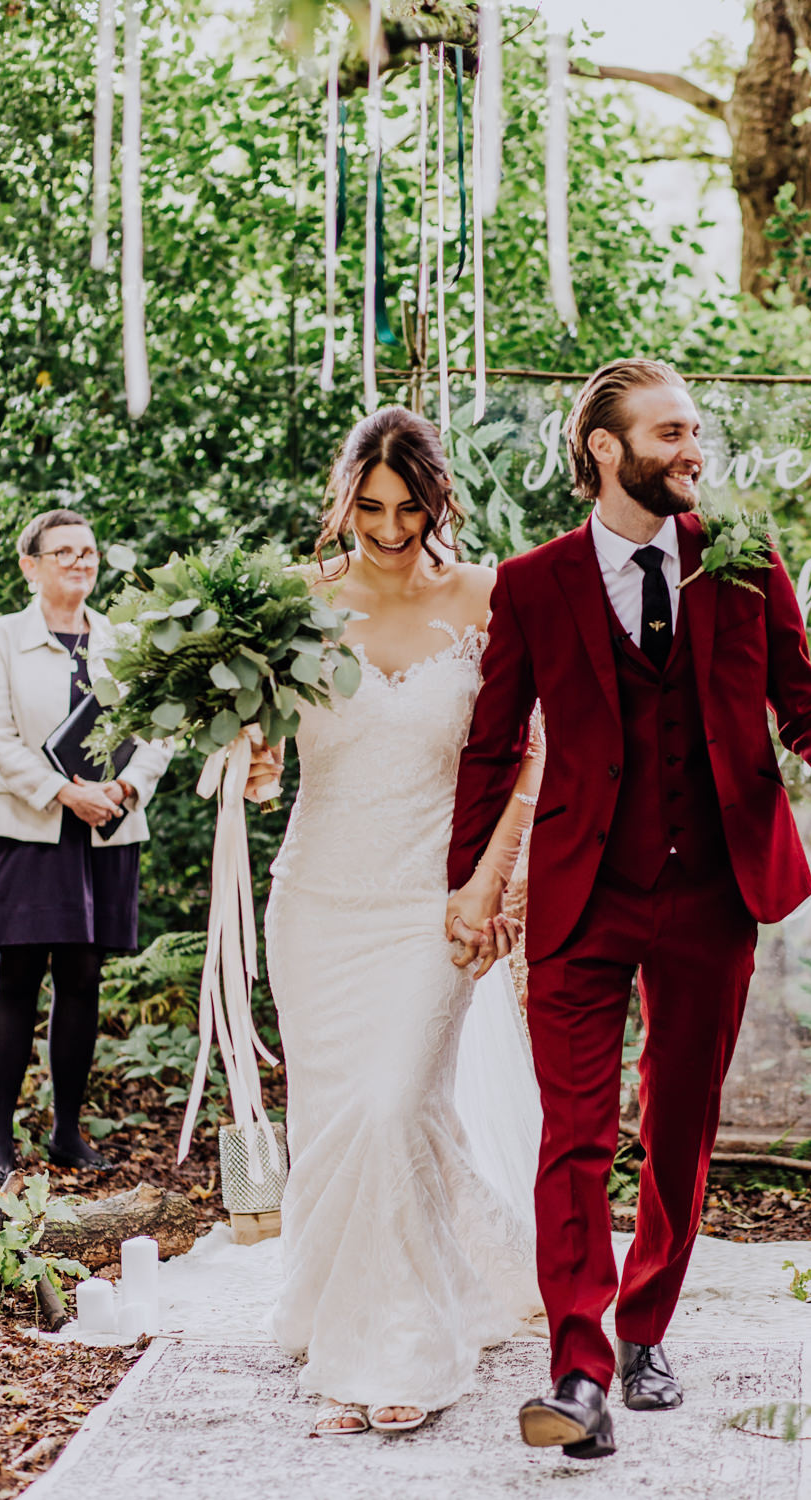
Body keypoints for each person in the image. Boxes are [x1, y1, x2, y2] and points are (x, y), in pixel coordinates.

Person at [445, 359, 811, 1460]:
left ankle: (645, 1331)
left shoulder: (741, 561)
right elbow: (495, 740)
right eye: (670, 431)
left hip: (711, 892)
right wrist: (468, 883)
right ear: (607, 449)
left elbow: (802, 703)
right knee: (575, 1133)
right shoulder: (533, 583)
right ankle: (577, 1364)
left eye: (694, 429)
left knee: (680, 1124)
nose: (692, 448)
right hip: (580, 889)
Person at [246, 407, 543, 1436]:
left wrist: (497, 885)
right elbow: (263, 746)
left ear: (435, 501)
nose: (386, 527)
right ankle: (348, 1320)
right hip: (316, 901)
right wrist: (253, 756)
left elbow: (529, 755)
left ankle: (401, 1354)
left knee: (389, 1103)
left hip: (433, 902)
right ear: (345, 502)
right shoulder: (294, 603)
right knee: (343, 1121)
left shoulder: (488, 598)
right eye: (368, 507)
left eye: (406, 507)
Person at [0, 509, 172, 1187]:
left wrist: (124, 788)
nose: (79, 562)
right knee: (18, 978)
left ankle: (67, 1132)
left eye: (88, 551)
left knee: (83, 977)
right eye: (61, 552)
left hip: (108, 826)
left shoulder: (129, 643)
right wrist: (66, 793)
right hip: (28, 826)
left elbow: (161, 729)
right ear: (30, 565)